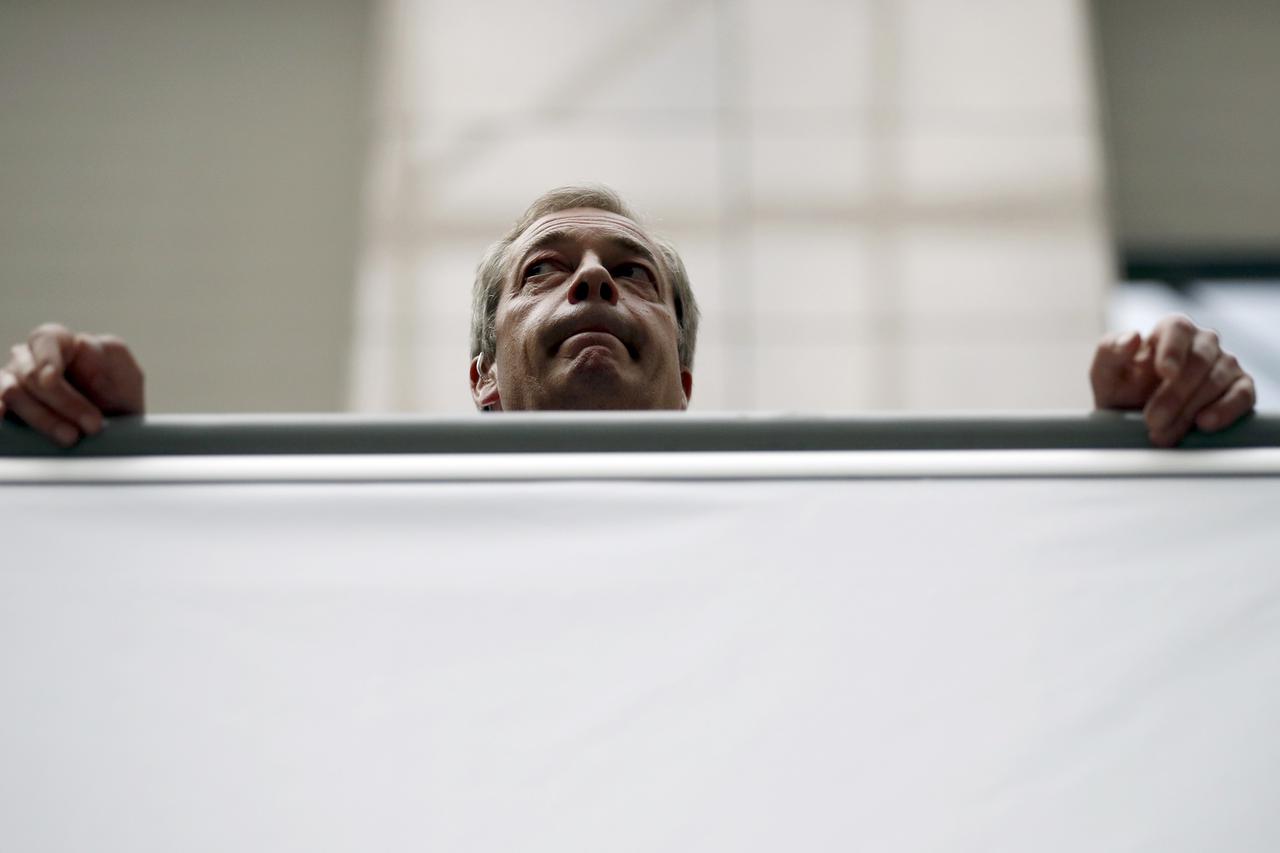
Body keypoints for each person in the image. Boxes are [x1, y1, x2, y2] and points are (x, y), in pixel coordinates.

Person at [0, 185, 1258, 447]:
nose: (594, 282)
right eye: (546, 269)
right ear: (482, 375)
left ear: (686, 380)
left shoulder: (816, 532)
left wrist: (1136, 450)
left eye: (631, 272)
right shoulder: (360, 535)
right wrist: (103, 467)